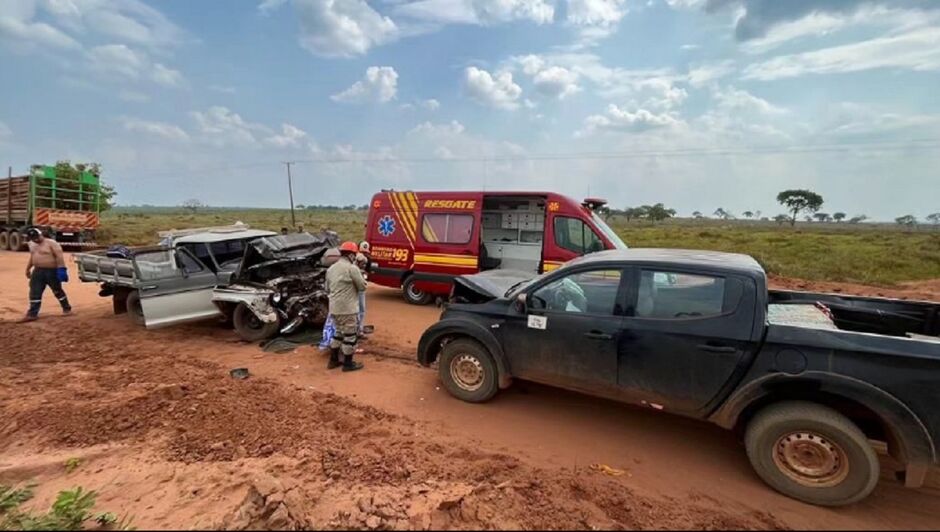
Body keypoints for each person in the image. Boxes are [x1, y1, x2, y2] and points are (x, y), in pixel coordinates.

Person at [325, 241, 367, 372]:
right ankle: (348, 364)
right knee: (350, 336)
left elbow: (327, 288)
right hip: (348, 309)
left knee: (337, 334)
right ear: (351, 255)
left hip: (334, 309)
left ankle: (333, 360)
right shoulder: (352, 268)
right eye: (354, 254)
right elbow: (362, 287)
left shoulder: (331, 269)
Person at [21, 228, 72, 322]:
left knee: (57, 290)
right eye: (33, 238)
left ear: (41, 234)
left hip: (51, 271)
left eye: (36, 237)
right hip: (38, 271)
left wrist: (62, 269)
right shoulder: (31, 244)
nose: (35, 240)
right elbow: (32, 257)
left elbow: (59, 257)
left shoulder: (52, 243)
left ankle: (66, 308)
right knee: (34, 291)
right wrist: (28, 269)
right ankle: (32, 314)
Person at [355, 241, 372, 337]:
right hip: (357, 287)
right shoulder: (358, 259)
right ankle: (358, 330)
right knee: (359, 309)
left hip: (359, 287)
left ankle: (358, 329)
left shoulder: (354, 259)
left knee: (359, 309)